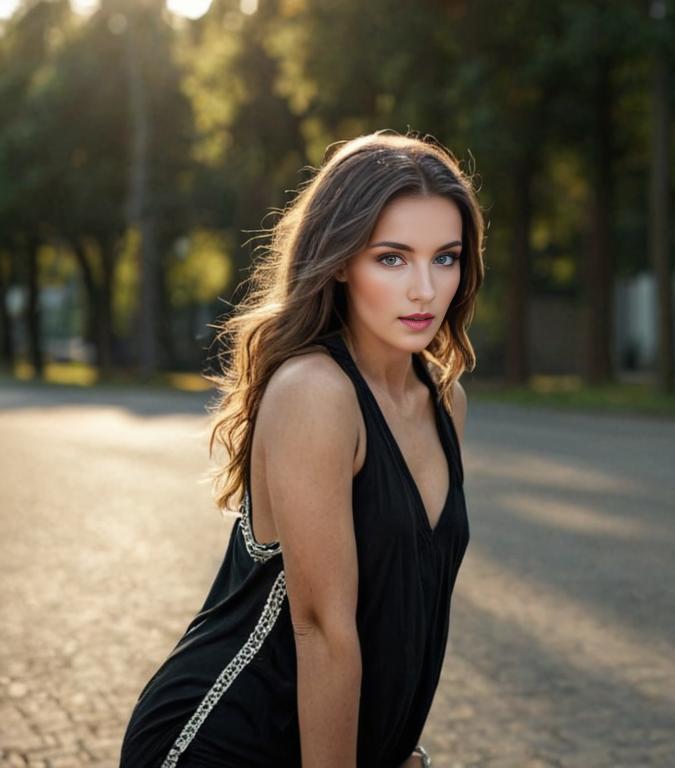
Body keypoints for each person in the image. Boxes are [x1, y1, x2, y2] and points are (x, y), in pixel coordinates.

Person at [119, 130, 486, 767]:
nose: (424, 289)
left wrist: (395, 745)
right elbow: (320, 629)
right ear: (342, 259)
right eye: (392, 258)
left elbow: (412, 607)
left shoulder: (445, 402)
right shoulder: (315, 392)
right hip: (225, 739)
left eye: (445, 258)